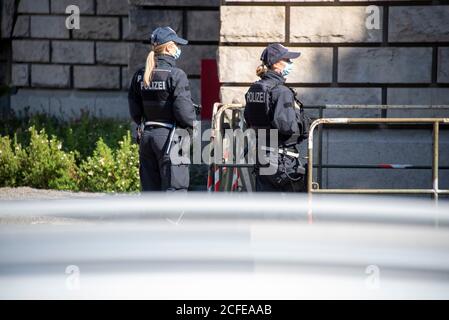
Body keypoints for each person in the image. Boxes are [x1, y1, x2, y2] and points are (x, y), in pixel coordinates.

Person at [128, 26, 196, 191]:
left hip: (147, 137)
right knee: (175, 189)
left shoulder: (140, 75)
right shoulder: (176, 75)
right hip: (169, 138)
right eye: (176, 45)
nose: (179, 49)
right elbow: (184, 112)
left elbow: (135, 109)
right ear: (168, 47)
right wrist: (193, 123)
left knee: (151, 192)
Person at [244, 43, 309, 192]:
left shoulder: (255, 88)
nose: (291, 64)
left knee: (267, 209)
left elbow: (248, 118)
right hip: (281, 159)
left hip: (262, 156)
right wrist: (303, 123)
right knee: (294, 210)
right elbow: (287, 127)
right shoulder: (281, 91)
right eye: (287, 60)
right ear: (276, 64)